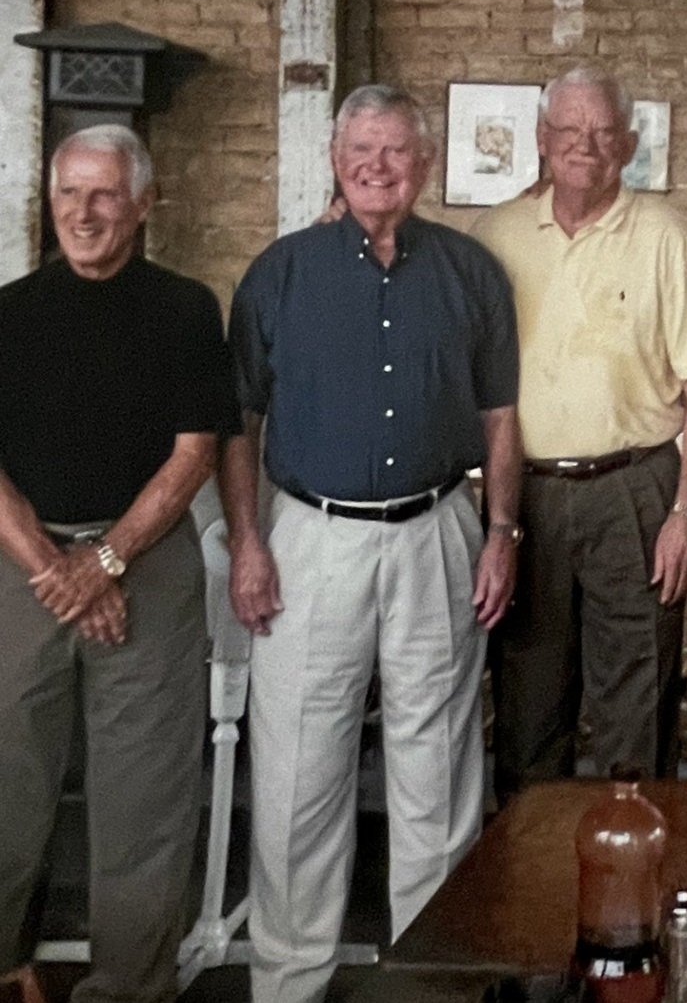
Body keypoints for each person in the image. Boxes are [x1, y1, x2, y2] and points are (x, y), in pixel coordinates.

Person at [223, 84, 522, 1003]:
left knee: (437, 773)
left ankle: (432, 979)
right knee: (298, 777)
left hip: (437, 531)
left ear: (423, 166)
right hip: (310, 539)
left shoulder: (471, 273)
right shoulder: (279, 273)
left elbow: (501, 417)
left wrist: (501, 531)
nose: (378, 167)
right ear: (335, 163)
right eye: (361, 152)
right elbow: (238, 423)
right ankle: (289, 980)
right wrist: (246, 541)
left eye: (395, 152)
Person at [0, 126, 239, 1003]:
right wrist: (59, 571)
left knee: (144, 798)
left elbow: (193, 455)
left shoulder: (184, 308)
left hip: (148, 564)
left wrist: (104, 560)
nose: (84, 212)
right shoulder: (9, 312)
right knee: (5, 776)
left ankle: (129, 989)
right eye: (69, 193)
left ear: (142, 204)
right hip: (22, 566)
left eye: (104, 195)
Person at [473, 64, 687, 802]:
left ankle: (633, 903)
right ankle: (526, 891)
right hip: (527, 498)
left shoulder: (664, 238)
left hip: (635, 491)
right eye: (568, 130)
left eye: (603, 131)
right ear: (541, 140)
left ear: (629, 143)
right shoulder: (494, 235)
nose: (585, 145)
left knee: (636, 711)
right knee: (526, 708)